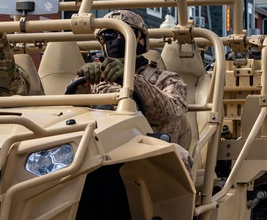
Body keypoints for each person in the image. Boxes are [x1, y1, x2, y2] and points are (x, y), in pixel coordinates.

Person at [75, 10, 192, 169]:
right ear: (102, 42)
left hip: (149, 157)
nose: (116, 40)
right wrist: (83, 83)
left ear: (140, 39)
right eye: (109, 35)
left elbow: (172, 113)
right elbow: (70, 115)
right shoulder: (94, 80)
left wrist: (130, 79)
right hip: (97, 155)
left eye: (125, 34)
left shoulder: (167, 79)